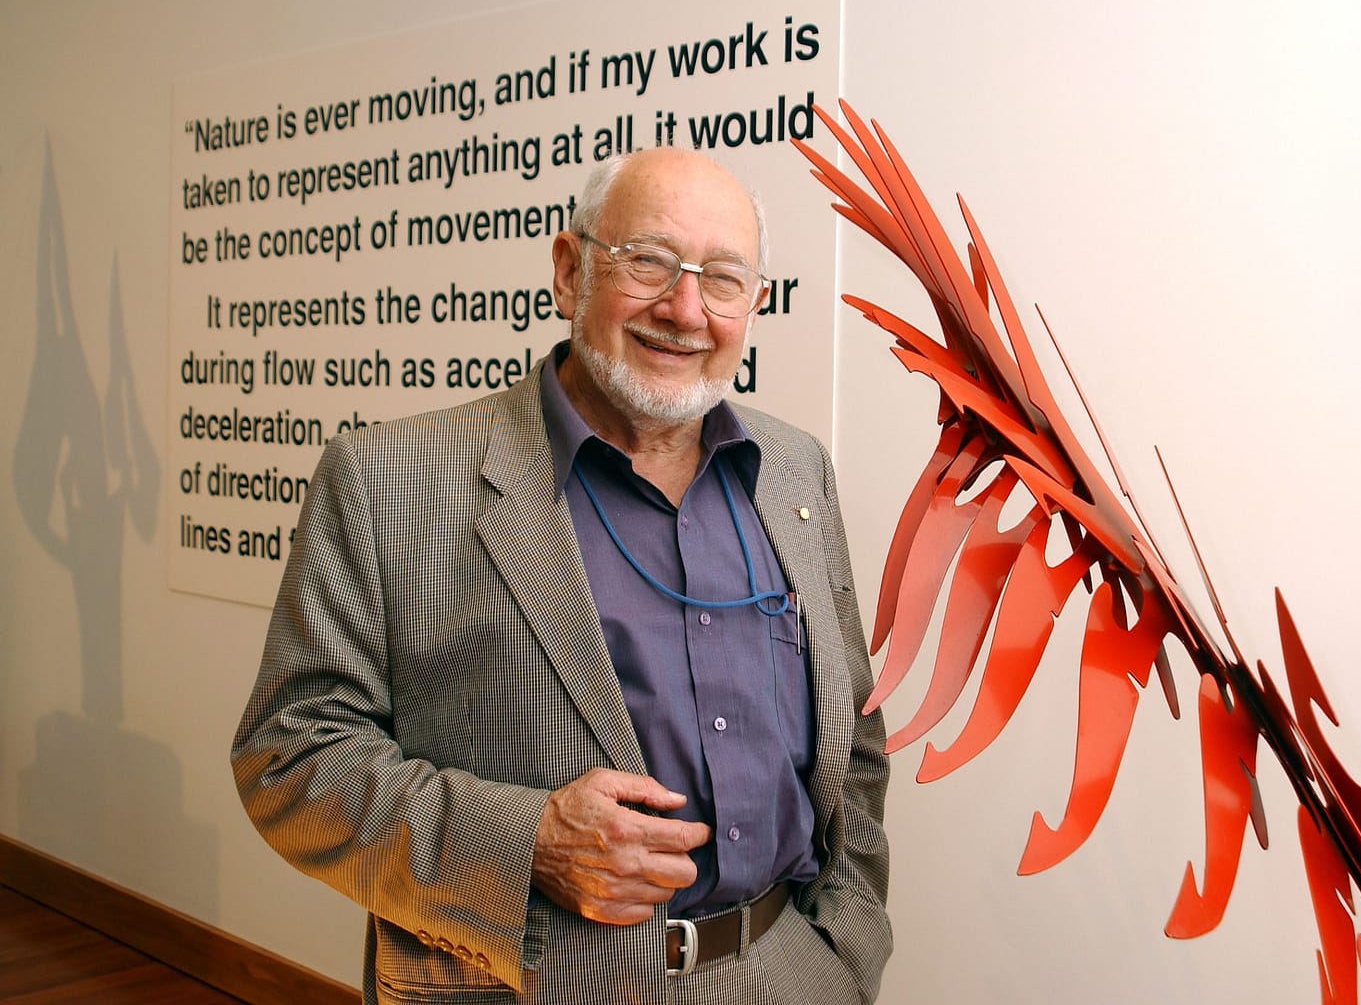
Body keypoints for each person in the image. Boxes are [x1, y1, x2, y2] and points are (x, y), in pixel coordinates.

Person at [232, 147, 892, 1004]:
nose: (684, 309)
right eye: (648, 261)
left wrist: (846, 948)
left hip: (789, 976)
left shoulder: (795, 472)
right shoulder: (387, 478)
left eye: (723, 279)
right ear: (569, 269)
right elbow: (289, 759)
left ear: (753, 303)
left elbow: (854, 745)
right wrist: (528, 840)